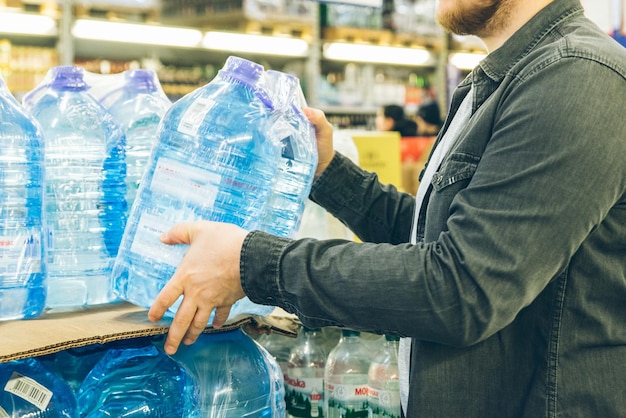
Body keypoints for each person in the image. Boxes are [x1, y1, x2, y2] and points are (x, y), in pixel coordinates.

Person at [148, 0, 626, 416]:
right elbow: (431, 241)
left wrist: (252, 263)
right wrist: (328, 172)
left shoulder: (577, 75)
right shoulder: (500, 80)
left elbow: (462, 289)